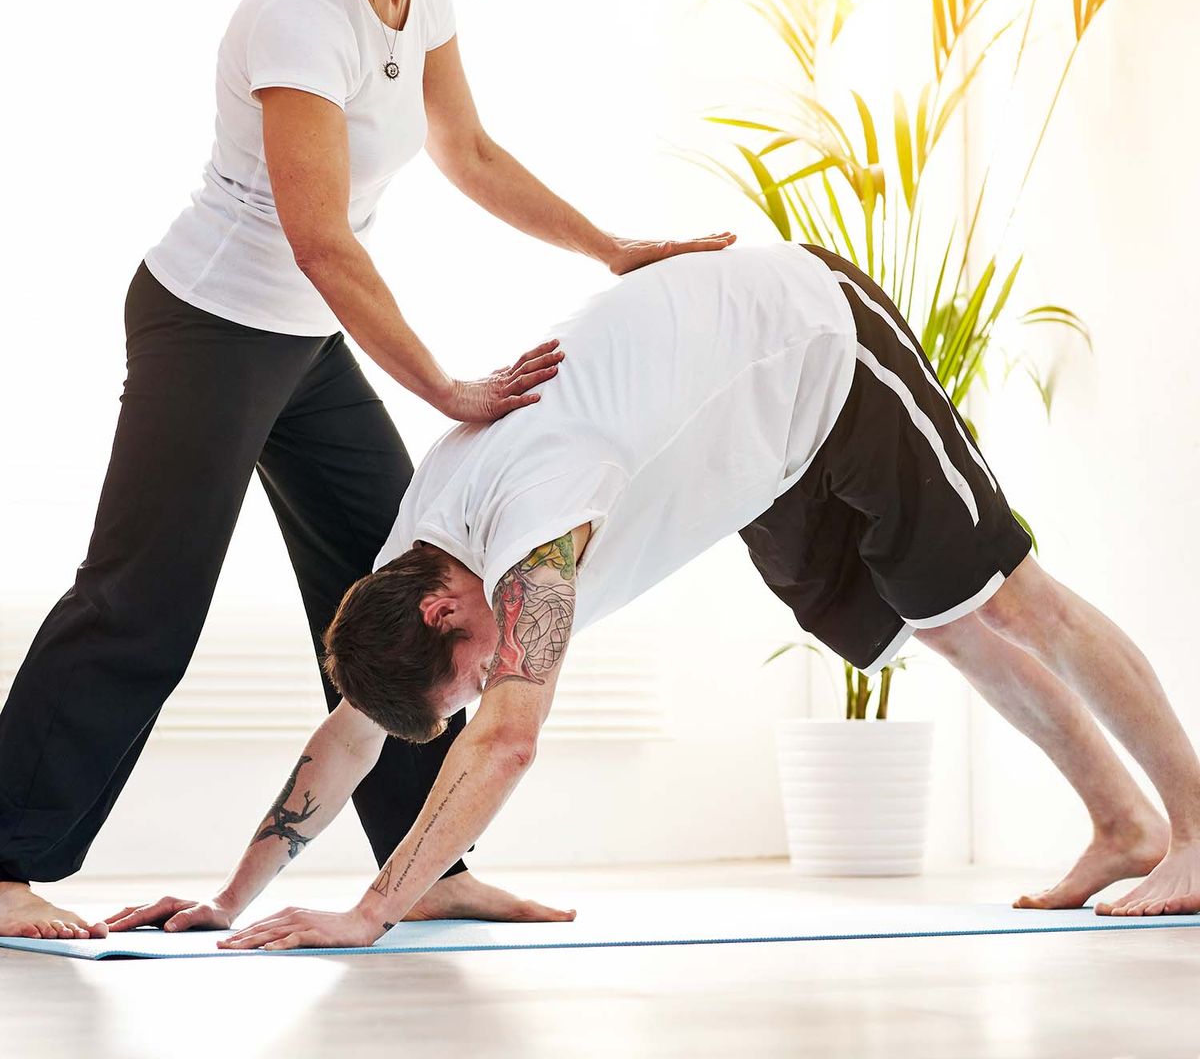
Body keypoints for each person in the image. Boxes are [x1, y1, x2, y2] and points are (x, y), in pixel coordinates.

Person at [0, 0, 735, 941]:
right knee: (142, 602)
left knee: (392, 597)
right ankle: (5, 864)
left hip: (300, 339)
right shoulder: (301, 17)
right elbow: (320, 237)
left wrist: (612, 247)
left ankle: (425, 864)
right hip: (210, 322)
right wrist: (441, 383)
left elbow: (466, 149)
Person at [102, 240, 1197, 952]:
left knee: (1007, 597)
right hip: (758, 433)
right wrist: (228, 899)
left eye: (473, 671)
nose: (490, 680)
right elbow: (349, 731)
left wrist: (372, 910)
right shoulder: (415, 557)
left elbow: (510, 744)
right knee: (946, 623)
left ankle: (1189, 827)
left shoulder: (535, 531)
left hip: (819, 340)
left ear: (445, 612)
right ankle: (1118, 824)